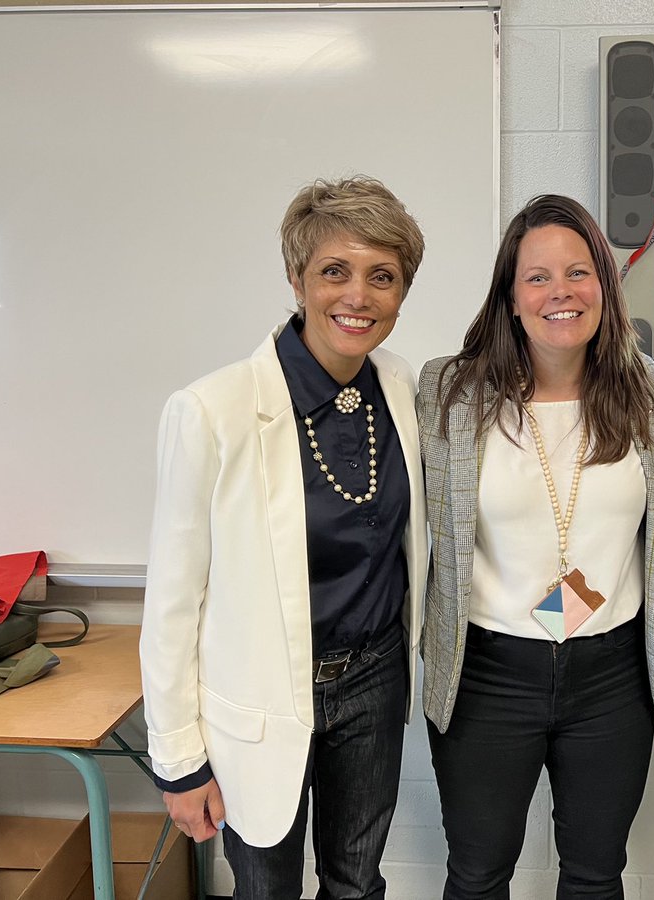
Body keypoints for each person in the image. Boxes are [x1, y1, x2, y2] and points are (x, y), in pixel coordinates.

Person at [139, 176, 427, 900]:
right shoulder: (211, 410)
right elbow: (174, 602)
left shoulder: (403, 389)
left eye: (381, 277)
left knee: (357, 884)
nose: (357, 297)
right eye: (335, 271)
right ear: (296, 279)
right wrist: (179, 761)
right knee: (266, 888)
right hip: (260, 698)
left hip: (373, 679)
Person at [417, 194, 654, 900]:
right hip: (487, 675)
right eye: (537, 277)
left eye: (578, 271)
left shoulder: (642, 391)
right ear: (511, 296)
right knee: (477, 874)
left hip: (611, 677)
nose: (560, 291)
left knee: (594, 875)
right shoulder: (450, 391)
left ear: (604, 288)